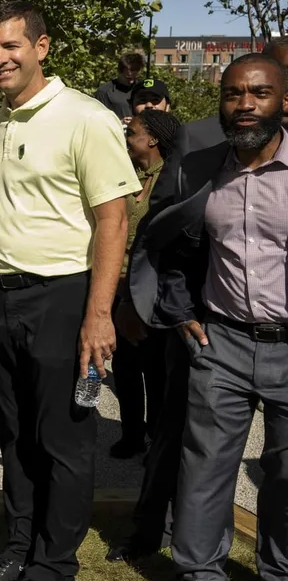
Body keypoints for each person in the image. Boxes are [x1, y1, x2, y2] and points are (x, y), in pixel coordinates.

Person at [0, 1, 139, 581]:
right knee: (13, 434)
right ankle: (19, 545)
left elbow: (113, 219)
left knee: (64, 437)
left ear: (42, 48)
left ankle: (56, 569)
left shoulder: (85, 117)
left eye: (11, 47)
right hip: (1, 296)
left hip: (66, 298)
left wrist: (100, 315)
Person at [144, 53, 288, 581]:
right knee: (203, 469)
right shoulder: (199, 169)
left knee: (284, 473)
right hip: (221, 341)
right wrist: (178, 311)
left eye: (259, 93)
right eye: (233, 94)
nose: (245, 104)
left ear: (283, 100)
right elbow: (168, 244)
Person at [108, 110, 182, 460]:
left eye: (133, 133)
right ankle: (131, 433)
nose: (127, 138)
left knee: (156, 368)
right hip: (117, 285)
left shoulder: (174, 178)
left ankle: (158, 435)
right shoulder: (121, 176)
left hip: (153, 288)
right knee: (123, 366)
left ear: (152, 139)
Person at [94, 52, 146, 122]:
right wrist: (120, 122)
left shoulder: (143, 89)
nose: (132, 82)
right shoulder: (104, 91)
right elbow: (98, 120)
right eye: (128, 78)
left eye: (135, 78)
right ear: (119, 72)